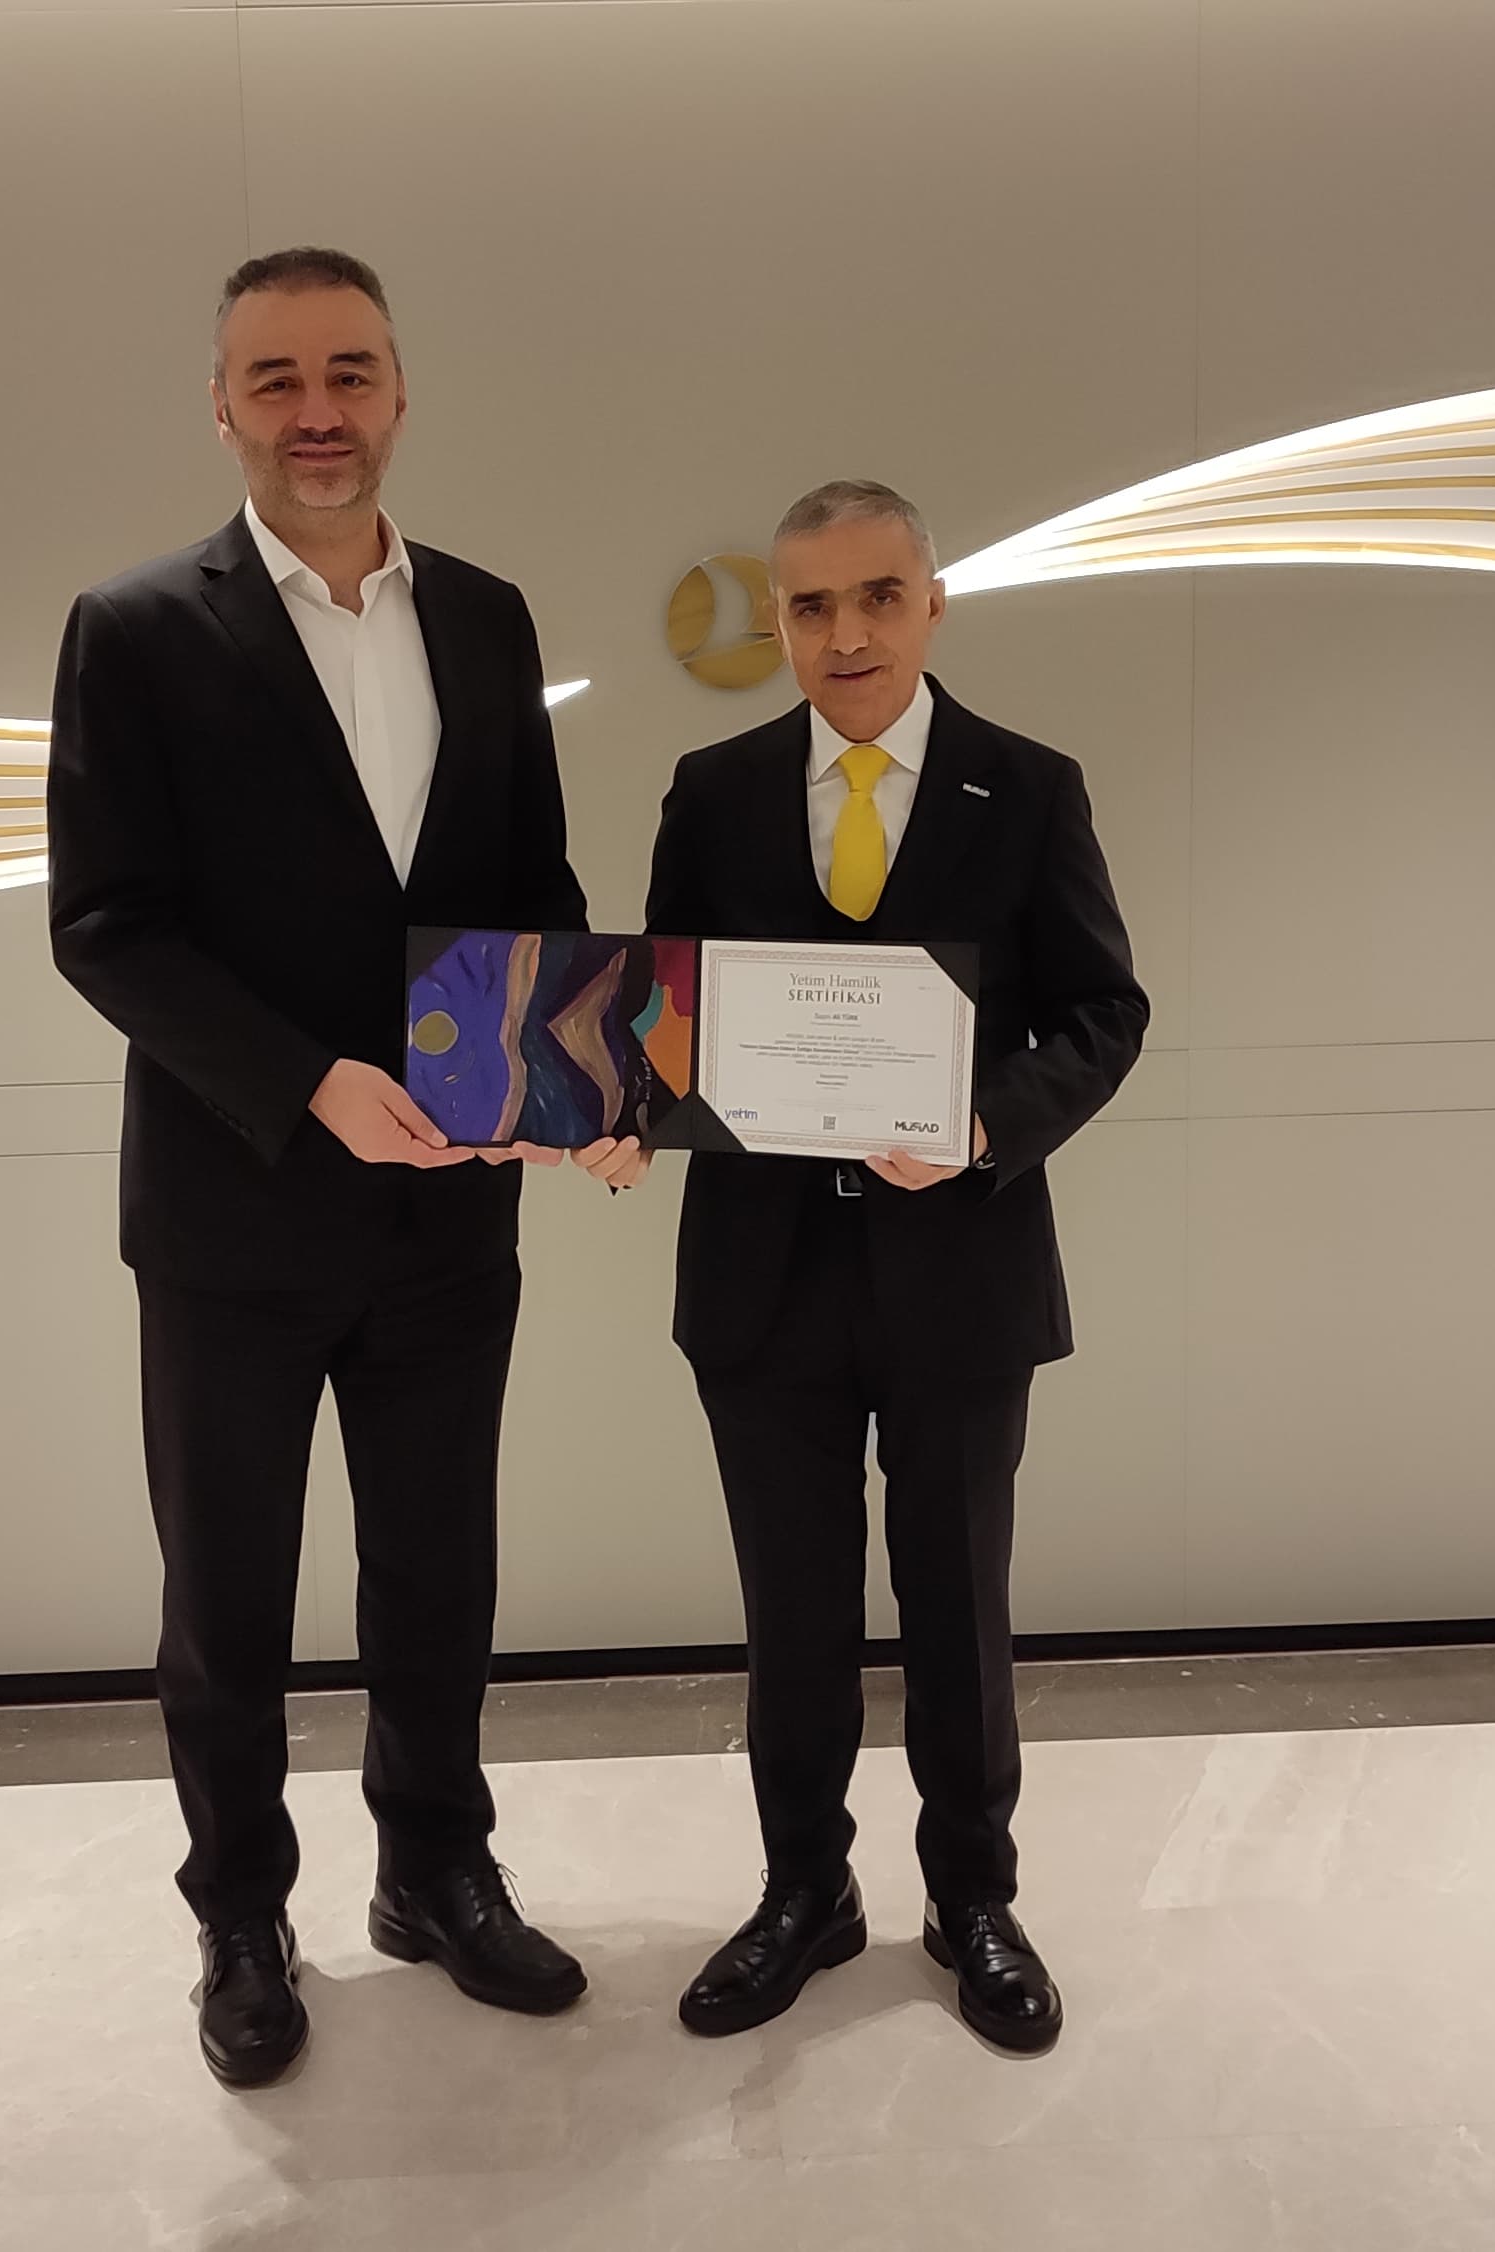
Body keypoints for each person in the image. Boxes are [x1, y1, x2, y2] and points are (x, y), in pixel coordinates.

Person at [44, 247, 640, 2089]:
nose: (319, 411)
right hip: (232, 1213)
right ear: (223, 405)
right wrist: (309, 1084)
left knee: (438, 1575)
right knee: (227, 1603)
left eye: (351, 372)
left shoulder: (489, 617)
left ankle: (436, 1872)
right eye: (279, 378)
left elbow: (529, 893)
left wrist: (588, 1077)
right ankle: (241, 1916)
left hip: (452, 1208)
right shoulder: (136, 627)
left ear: (399, 392)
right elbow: (107, 927)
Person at [630, 480, 1147, 2054]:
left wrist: (990, 1126)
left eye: (876, 597)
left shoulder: (1028, 787)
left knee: (958, 1612)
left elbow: (1103, 1014)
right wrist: (613, 1110)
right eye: (810, 605)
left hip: (961, 1276)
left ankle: (973, 1898)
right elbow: (667, 1020)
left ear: (931, 604)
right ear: (780, 619)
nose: (844, 634)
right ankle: (806, 1892)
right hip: (761, 1279)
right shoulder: (714, 791)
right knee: (790, 1613)